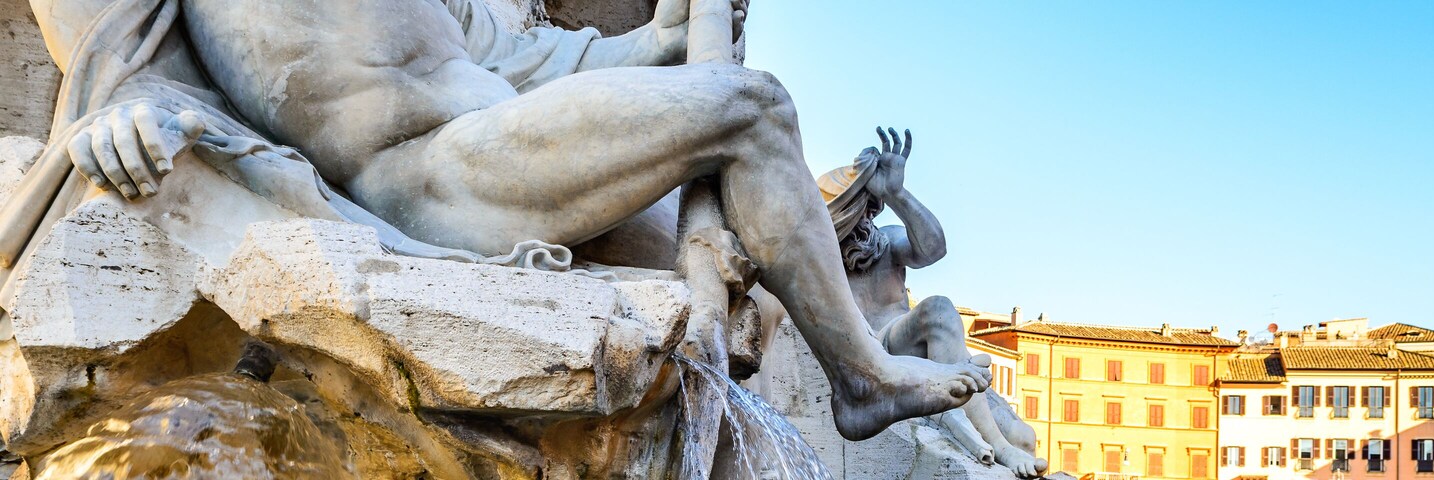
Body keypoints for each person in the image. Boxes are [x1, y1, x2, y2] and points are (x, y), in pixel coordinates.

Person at [17, 0, 985, 441]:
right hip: (426, 178)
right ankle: (863, 376)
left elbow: (520, 59)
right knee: (756, 109)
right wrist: (118, 111)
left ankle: (847, 364)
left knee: (727, 252)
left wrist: (656, 38)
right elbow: (107, 54)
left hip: (491, 140)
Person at [819, 128, 1047, 477]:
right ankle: (998, 449)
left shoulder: (885, 243)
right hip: (877, 350)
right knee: (939, 307)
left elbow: (934, 248)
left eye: (868, 210)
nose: (863, 220)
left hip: (923, 352)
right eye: (854, 212)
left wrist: (897, 193)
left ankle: (1007, 444)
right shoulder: (822, 261)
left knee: (1025, 436)